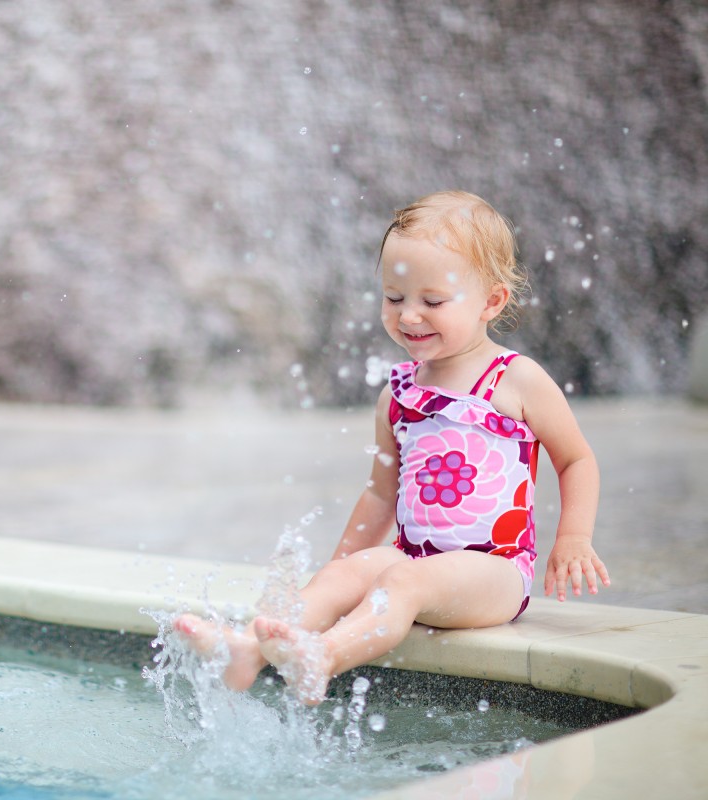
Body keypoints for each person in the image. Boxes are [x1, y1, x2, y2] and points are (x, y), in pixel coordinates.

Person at [174, 189, 610, 704]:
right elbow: (382, 495)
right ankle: (247, 651)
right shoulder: (398, 395)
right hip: (413, 557)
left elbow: (575, 457)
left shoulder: (515, 380)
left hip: (493, 571)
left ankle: (325, 657)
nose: (408, 316)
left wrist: (574, 538)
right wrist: (342, 573)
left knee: (404, 583)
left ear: (491, 301)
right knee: (348, 574)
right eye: (394, 297)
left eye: (433, 301)